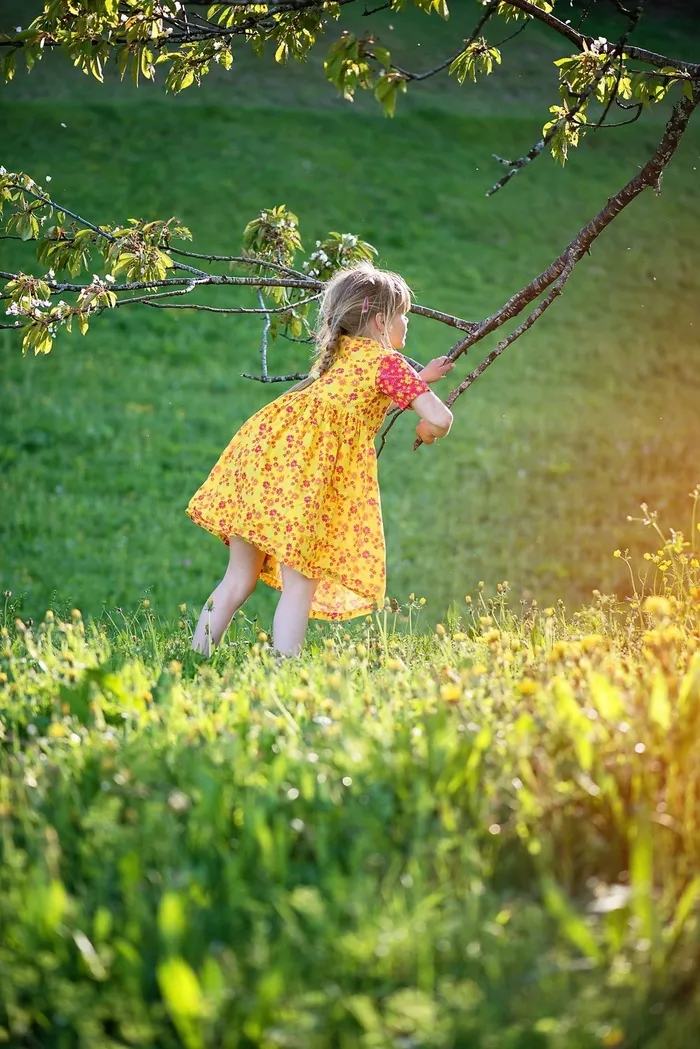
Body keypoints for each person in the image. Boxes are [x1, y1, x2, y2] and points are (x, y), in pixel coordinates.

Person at [185, 261, 454, 658]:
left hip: (264, 456)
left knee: (238, 578)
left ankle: (193, 658)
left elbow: (363, 386)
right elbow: (441, 418)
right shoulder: (386, 364)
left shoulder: (337, 354)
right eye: (403, 316)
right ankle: (284, 671)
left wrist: (420, 380)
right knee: (300, 585)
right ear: (381, 321)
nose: (407, 324)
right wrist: (426, 430)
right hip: (306, 478)